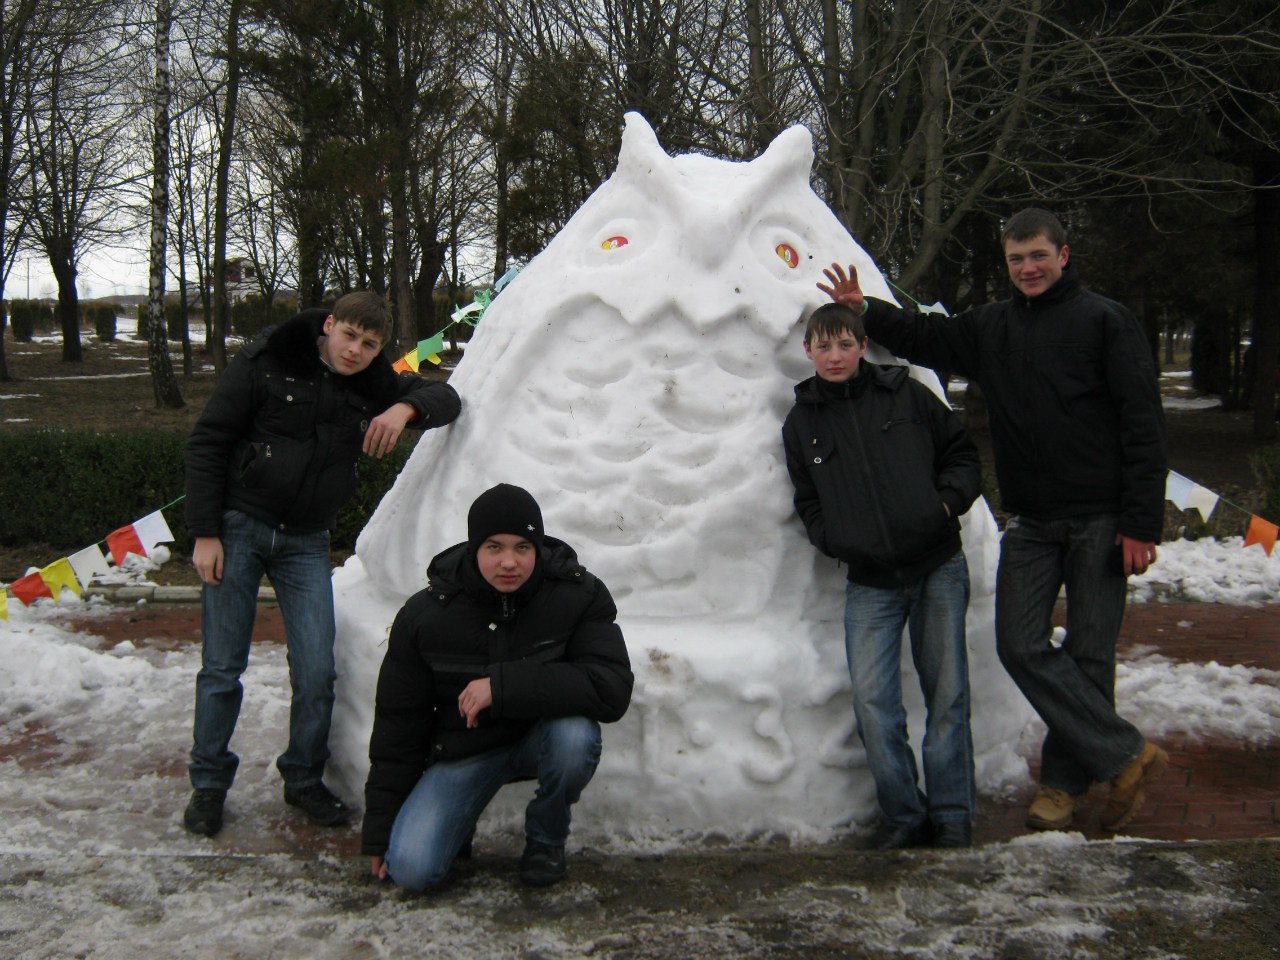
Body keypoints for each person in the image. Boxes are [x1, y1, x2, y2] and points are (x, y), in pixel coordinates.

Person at [818, 207, 1169, 833]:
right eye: (1016, 259)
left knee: (1089, 655)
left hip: (1101, 516)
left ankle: (1063, 786)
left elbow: (1144, 424)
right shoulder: (993, 326)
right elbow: (929, 337)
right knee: (1020, 643)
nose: (1028, 268)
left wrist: (1141, 523)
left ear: (1064, 255)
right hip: (1032, 520)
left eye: (1038, 256)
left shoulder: (1106, 321)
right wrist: (865, 310)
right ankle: (1126, 754)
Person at [182, 291, 462, 837]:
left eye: (370, 345)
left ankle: (304, 777)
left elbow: (446, 397)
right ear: (329, 325)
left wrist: (404, 408)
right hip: (240, 529)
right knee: (222, 669)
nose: (355, 351)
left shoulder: (374, 384)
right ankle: (209, 785)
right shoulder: (267, 359)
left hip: (306, 542)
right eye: (349, 335)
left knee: (316, 671)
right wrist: (205, 533)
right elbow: (209, 442)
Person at [361, 483, 633, 889]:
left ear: (538, 548)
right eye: (494, 547)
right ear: (475, 548)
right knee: (411, 870)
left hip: (540, 738)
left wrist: (502, 687)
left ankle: (546, 839)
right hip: (464, 751)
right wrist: (381, 831)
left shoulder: (577, 595)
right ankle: (457, 824)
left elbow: (610, 686)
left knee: (575, 735)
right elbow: (398, 727)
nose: (509, 562)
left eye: (523, 547)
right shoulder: (426, 615)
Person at [783, 303, 983, 850]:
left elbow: (962, 454)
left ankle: (952, 814)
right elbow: (807, 498)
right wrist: (834, 538)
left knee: (948, 696)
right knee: (873, 703)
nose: (835, 356)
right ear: (808, 351)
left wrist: (945, 505)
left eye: (845, 344)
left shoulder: (906, 395)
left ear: (862, 345)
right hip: (870, 580)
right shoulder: (803, 422)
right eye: (823, 346)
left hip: (937, 566)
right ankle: (902, 815)